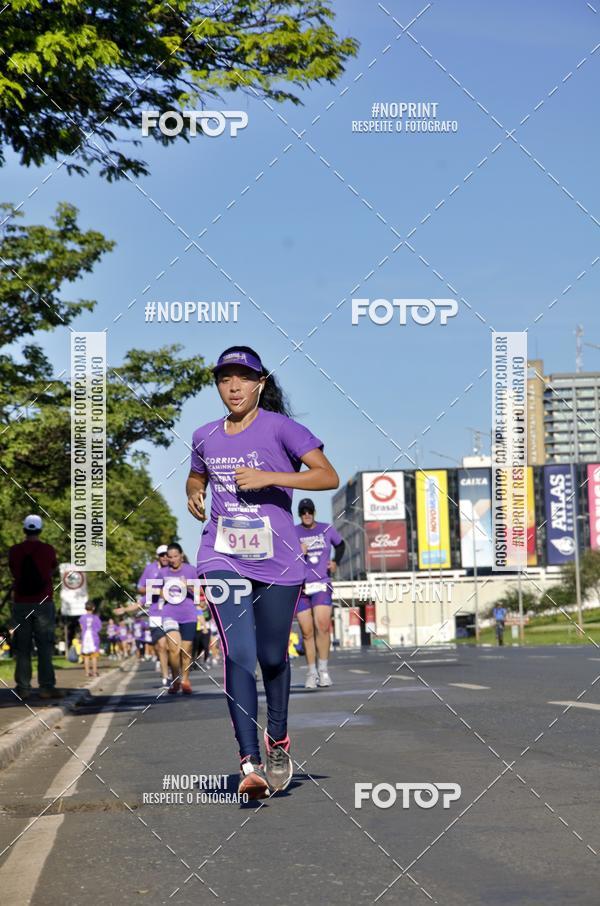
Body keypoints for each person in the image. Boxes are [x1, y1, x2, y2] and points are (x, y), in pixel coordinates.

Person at [186, 345, 339, 799]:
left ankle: (278, 740)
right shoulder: (205, 434)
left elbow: (327, 476)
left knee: (273, 657)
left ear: (260, 383)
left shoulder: (283, 429)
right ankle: (249, 761)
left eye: (241, 378)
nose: (232, 387)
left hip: (278, 560)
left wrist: (271, 478)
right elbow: (198, 475)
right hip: (222, 555)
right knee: (239, 653)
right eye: (223, 379)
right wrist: (194, 492)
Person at [8, 515, 64, 701]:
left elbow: (13, 571)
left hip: (21, 603)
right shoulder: (48, 550)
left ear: (24, 530)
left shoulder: (14, 551)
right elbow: (52, 568)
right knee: (45, 646)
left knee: (22, 647)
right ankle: (46, 687)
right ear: (39, 530)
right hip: (43, 602)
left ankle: (23, 688)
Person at [294, 499, 345, 689]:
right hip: (300, 586)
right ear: (299, 514)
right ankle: (311, 672)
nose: (306, 515)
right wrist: (297, 551)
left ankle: (323, 670)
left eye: (309, 511)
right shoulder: (293, 532)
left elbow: (341, 545)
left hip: (321, 583)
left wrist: (335, 562)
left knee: (322, 625)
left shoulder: (327, 529)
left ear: (314, 512)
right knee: (307, 631)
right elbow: (282, 555)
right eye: (303, 512)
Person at [157, 542, 198, 694]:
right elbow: (155, 590)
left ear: (181, 556)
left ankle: (185, 679)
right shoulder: (163, 573)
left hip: (188, 613)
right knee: (173, 649)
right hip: (170, 613)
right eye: (170, 557)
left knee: (186, 651)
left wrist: (188, 585)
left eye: (176, 556)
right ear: (166, 558)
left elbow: (200, 589)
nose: (173, 559)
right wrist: (164, 593)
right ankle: (175, 680)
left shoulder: (191, 570)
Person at [79, 602, 102, 678]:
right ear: (93, 608)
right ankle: (95, 672)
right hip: (94, 637)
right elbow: (99, 628)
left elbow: (81, 627)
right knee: (94, 656)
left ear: (85, 608)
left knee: (86, 657)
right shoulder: (96, 618)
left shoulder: (82, 618)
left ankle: (87, 672)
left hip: (85, 638)